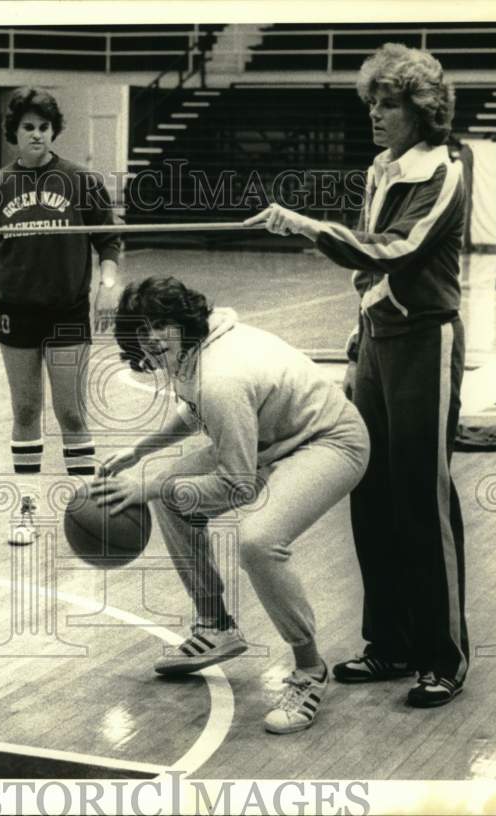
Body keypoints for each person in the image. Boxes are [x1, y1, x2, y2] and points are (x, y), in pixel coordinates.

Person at [245, 43, 469, 708]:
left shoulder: (444, 168)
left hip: (425, 344)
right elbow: (371, 270)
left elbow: (397, 251)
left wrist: (304, 226)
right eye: (371, 101)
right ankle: (392, 643)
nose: (375, 113)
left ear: (422, 108)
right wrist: (359, 328)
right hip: (375, 342)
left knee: (422, 502)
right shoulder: (383, 167)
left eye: (389, 102)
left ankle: (443, 655)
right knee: (369, 491)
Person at [92, 277, 370, 734]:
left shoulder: (222, 374)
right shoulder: (196, 346)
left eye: (161, 325)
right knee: (172, 493)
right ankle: (216, 625)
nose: (152, 339)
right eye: (143, 331)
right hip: (273, 438)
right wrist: (141, 451)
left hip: (329, 442)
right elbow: (195, 409)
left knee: (258, 541)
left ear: (182, 319)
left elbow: (238, 485)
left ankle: (308, 670)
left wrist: (149, 488)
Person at [0, 87, 122, 545]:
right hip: (16, 313)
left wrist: (107, 286)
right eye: (29, 127)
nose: (37, 135)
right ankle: (26, 508)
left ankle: (89, 511)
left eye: (44, 127)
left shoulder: (81, 181)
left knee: (71, 412)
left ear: (53, 132)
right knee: (25, 409)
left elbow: (109, 241)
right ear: (15, 133)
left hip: (67, 312)